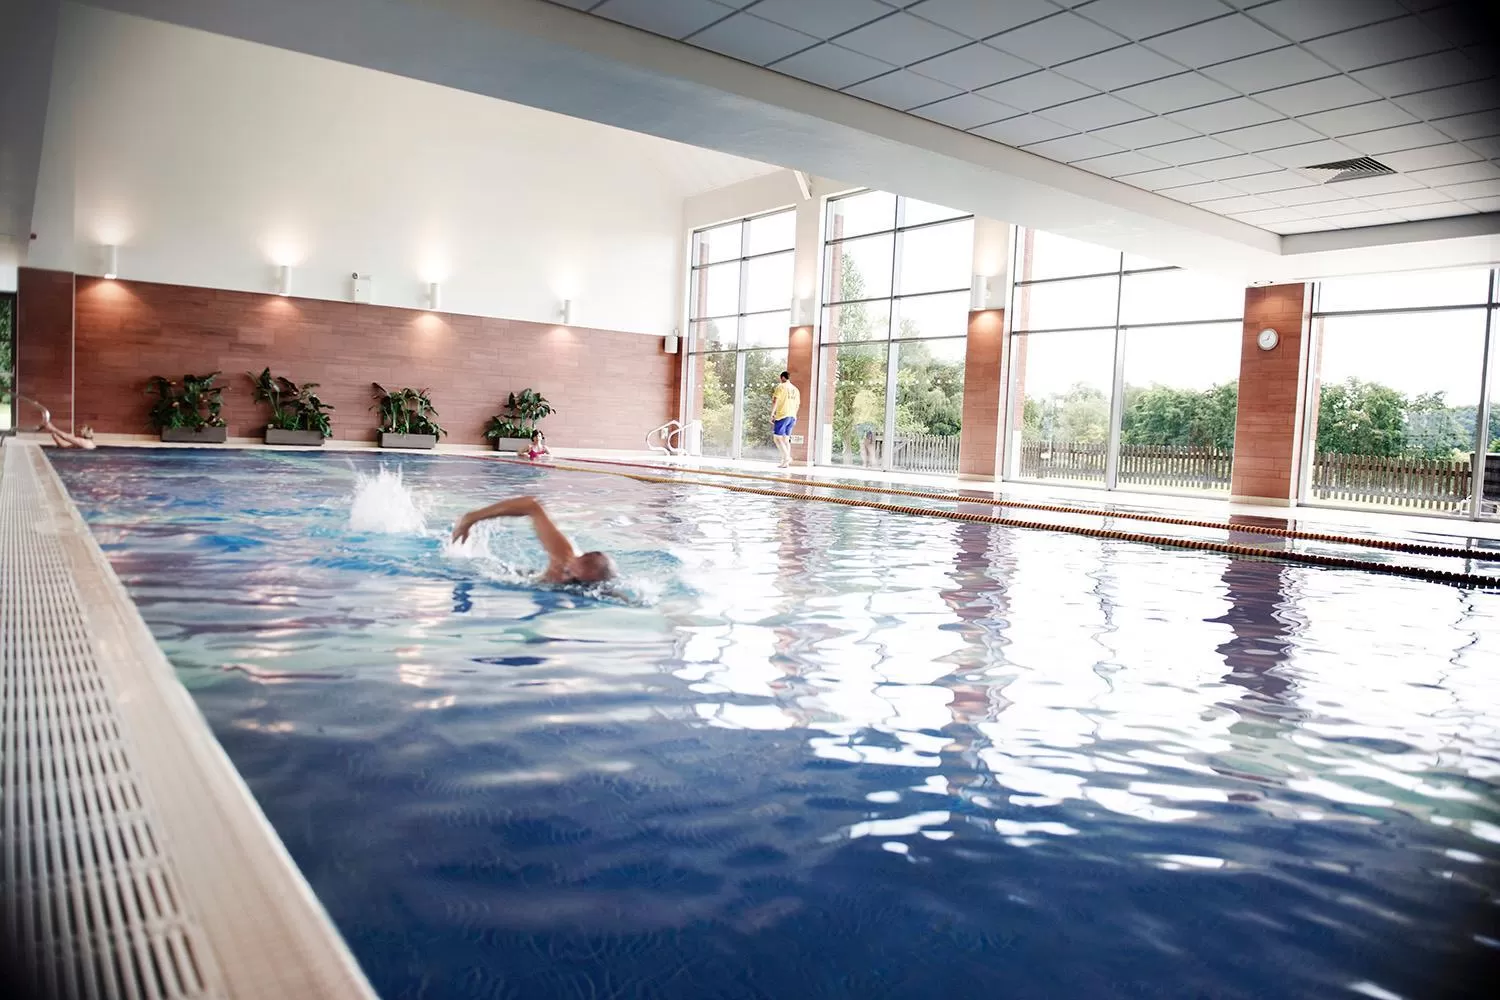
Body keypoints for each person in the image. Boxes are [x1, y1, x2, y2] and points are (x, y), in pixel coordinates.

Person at [451, 495, 616, 584]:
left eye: (574, 579)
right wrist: (472, 518)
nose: (566, 575)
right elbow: (532, 506)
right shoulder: (564, 558)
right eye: (568, 572)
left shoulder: (598, 593)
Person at [770, 371, 800, 468]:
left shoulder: (781, 387)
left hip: (783, 415)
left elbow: (775, 400)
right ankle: (785, 463)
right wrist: (794, 416)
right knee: (786, 439)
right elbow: (797, 404)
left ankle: (787, 457)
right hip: (792, 416)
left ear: (782, 377)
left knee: (777, 438)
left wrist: (772, 413)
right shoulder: (795, 389)